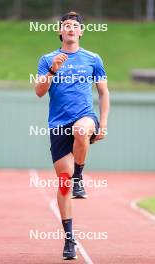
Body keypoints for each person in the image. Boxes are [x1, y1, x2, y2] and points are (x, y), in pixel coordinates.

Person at [35, 11, 110, 260]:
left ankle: (80, 175)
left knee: (80, 131)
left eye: (74, 26)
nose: (70, 28)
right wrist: (53, 70)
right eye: (65, 25)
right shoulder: (47, 59)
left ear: (80, 32)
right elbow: (38, 91)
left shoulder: (93, 58)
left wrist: (104, 124)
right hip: (58, 125)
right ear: (60, 31)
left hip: (85, 118)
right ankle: (69, 240)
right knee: (63, 185)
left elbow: (103, 92)